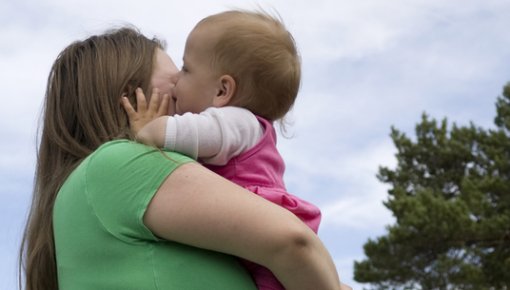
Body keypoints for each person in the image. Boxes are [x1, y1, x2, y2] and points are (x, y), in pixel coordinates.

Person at [19, 26, 350, 290]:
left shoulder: (91, 184)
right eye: (176, 76)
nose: (184, 88)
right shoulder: (118, 164)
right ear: (130, 95)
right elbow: (293, 242)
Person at [121, 10, 321, 290]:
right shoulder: (244, 128)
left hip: (260, 230)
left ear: (222, 91)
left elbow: (187, 132)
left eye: (186, 68)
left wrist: (148, 129)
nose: (177, 79)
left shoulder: (236, 121)